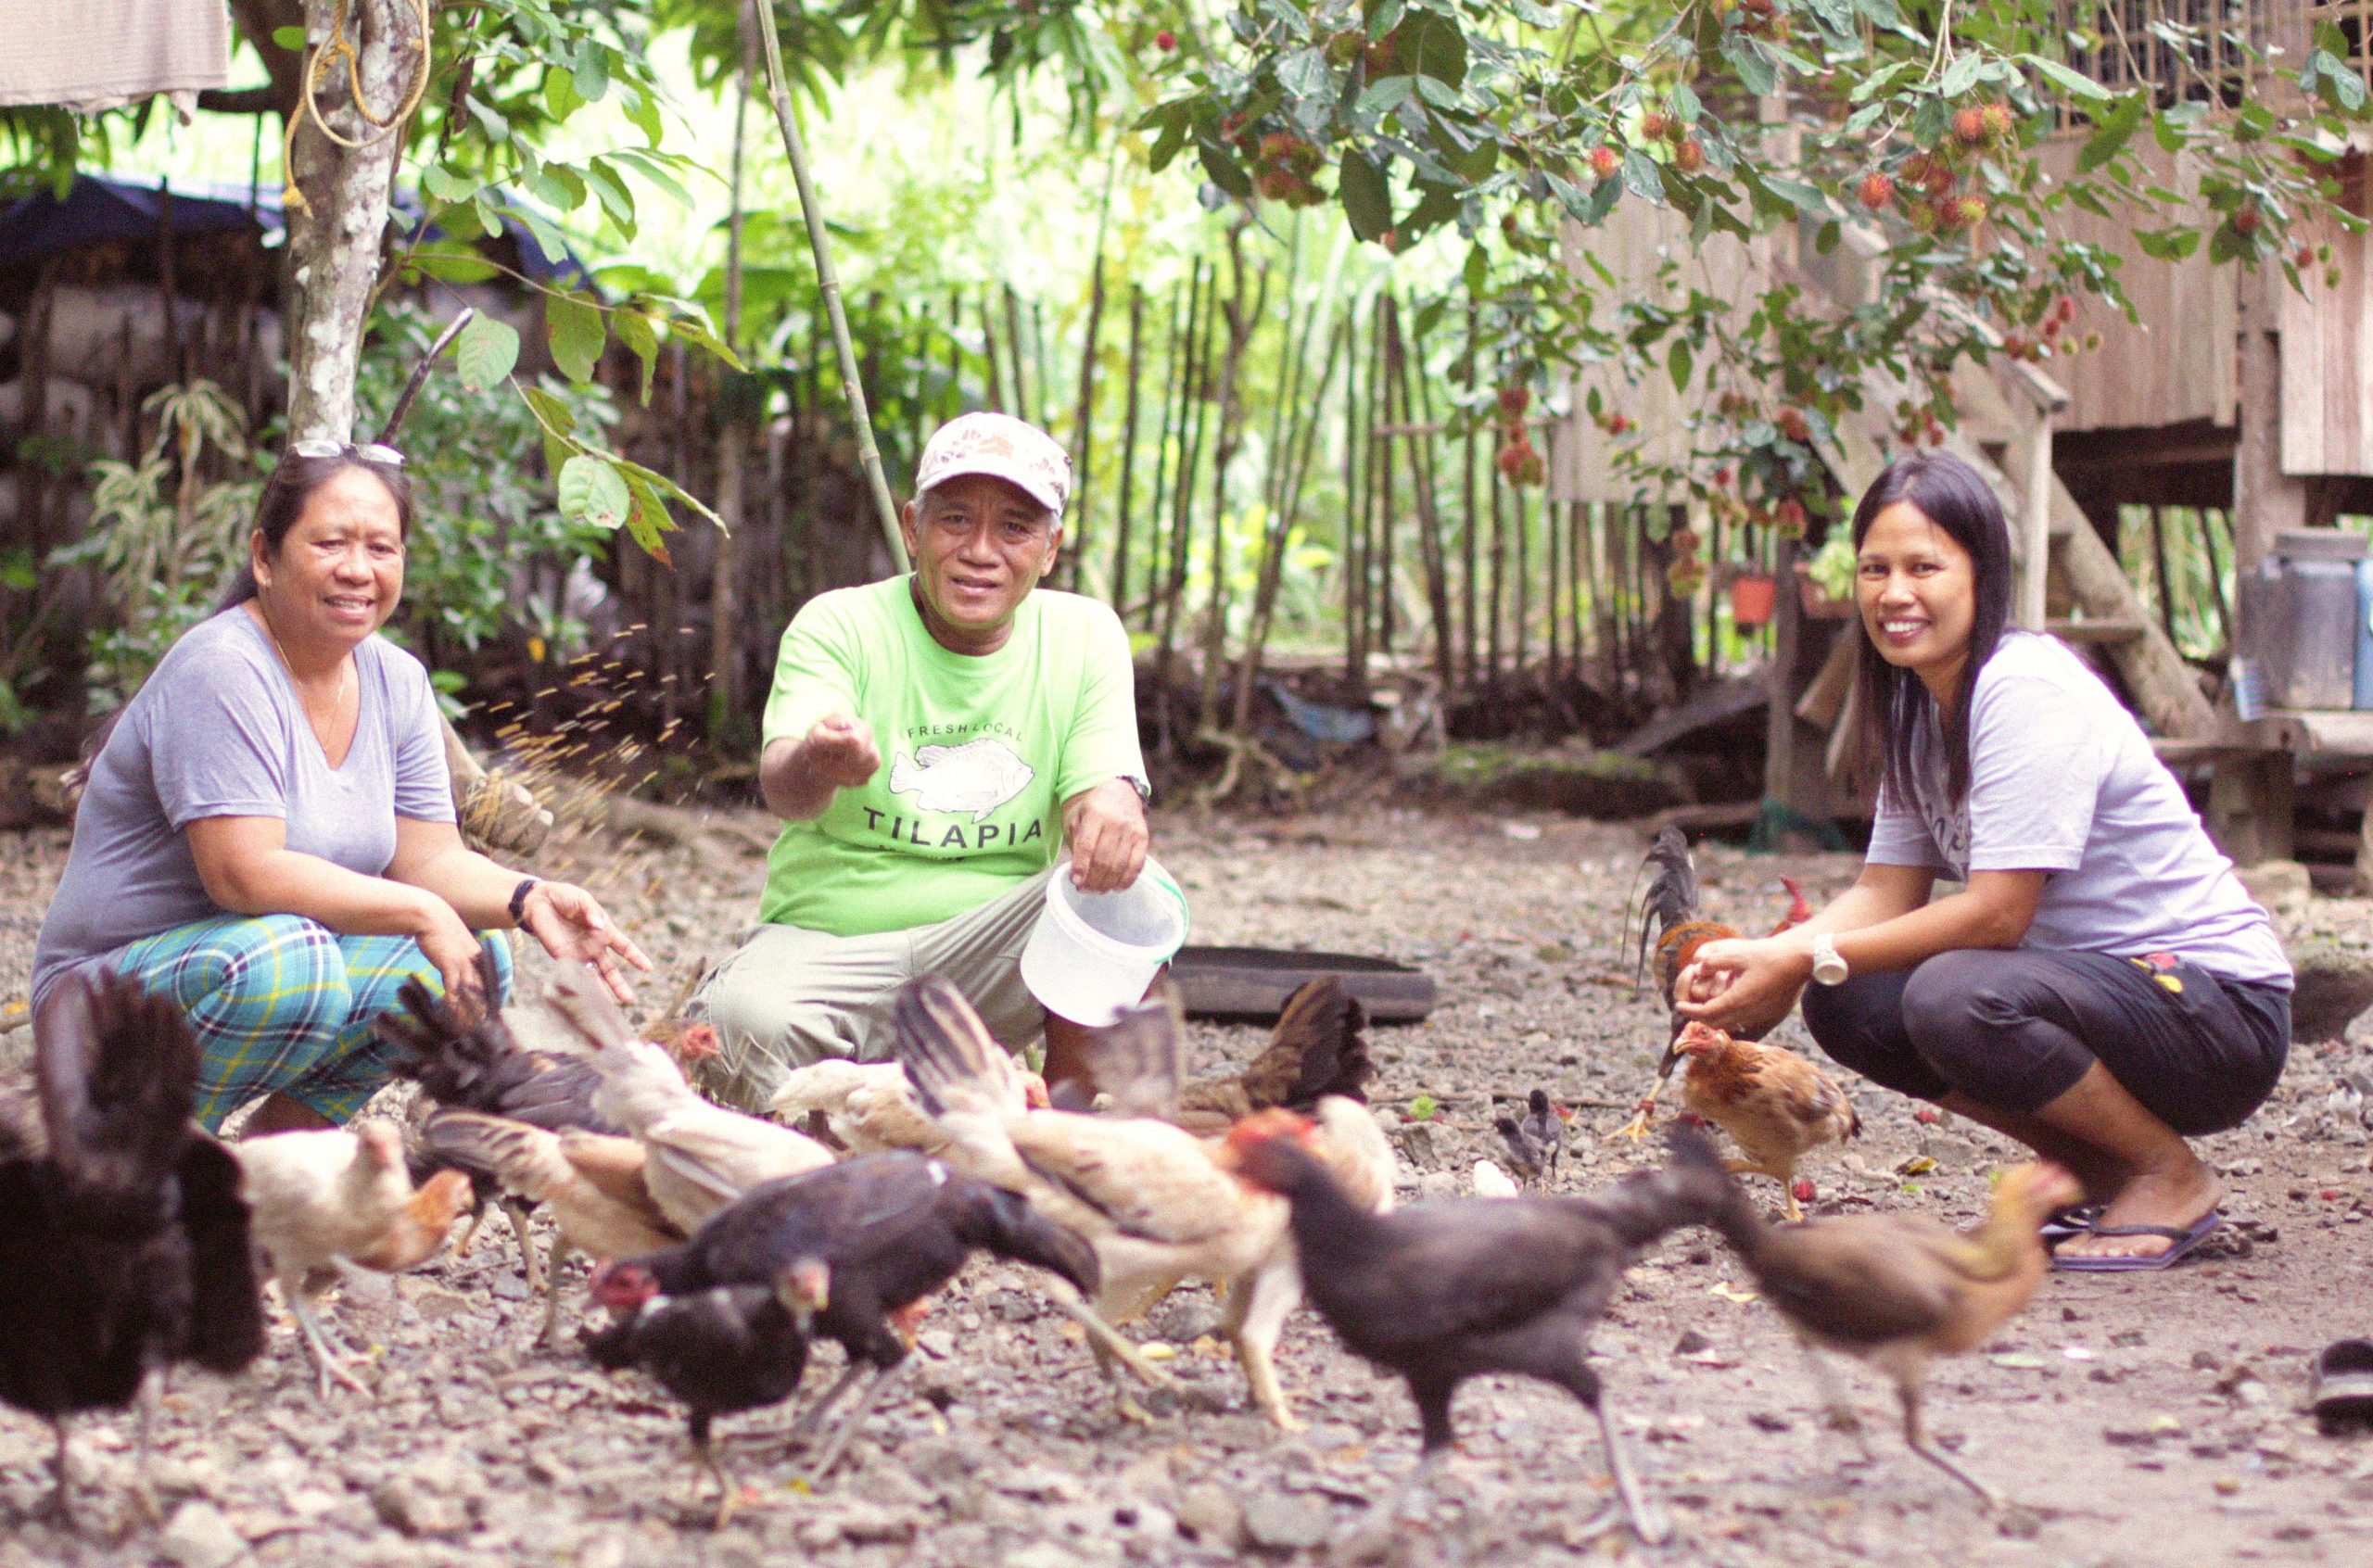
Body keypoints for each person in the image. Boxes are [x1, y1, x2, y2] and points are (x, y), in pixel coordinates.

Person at [1676, 451, 2290, 1270]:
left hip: (2217, 1011)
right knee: (1848, 995)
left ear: (1981, 572)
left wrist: (1793, 953)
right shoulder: (1917, 705)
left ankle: (2165, 1173)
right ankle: (2095, 1168)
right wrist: (1769, 957)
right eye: (1874, 569)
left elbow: (2000, 914)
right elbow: (1885, 890)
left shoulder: (2022, 687)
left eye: (1924, 567)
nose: (1895, 593)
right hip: (2102, 998)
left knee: (1953, 992)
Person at [32, 441, 650, 1134]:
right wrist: (423, 913)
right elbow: (242, 873)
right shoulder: (222, 667)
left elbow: (428, 861)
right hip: (99, 999)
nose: (358, 569)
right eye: (329, 543)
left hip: (245, 965)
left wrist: (527, 897)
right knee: (296, 963)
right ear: (265, 558)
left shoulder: (397, 681)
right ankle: (125, 1160)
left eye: (381, 548)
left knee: (476, 957)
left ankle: (270, 1183)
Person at [693, 411, 1165, 1109]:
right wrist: (823, 759)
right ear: (913, 528)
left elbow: (1101, 788)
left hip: (991, 959)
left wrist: (1113, 803)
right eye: (954, 521)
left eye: (1014, 527)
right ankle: (832, 1146)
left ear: (1051, 548)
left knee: (1130, 891)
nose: (981, 550)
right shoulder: (840, 623)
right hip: (828, 946)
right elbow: (785, 791)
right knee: (736, 1026)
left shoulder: (1085, 634)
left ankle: (1058, 1136)